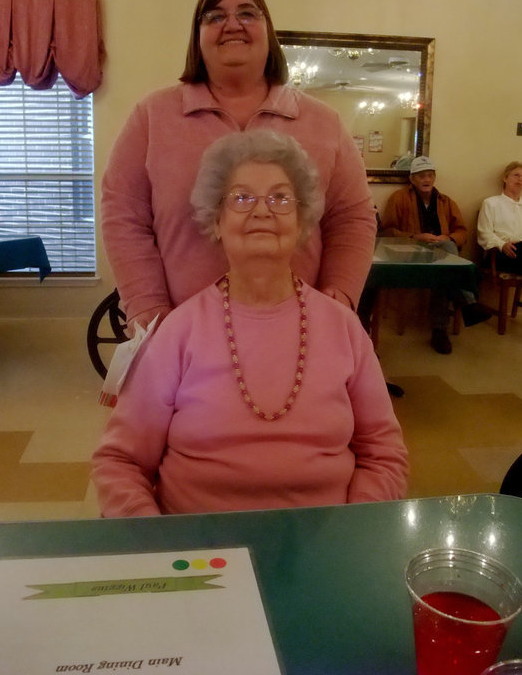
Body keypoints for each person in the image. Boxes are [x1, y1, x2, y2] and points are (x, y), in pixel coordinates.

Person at [92, 129, 409, 516]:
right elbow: (120, 462)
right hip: (197, 553)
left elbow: (384, 454)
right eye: (242, 198)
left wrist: (352, 530)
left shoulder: (343, 328)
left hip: (325, 542)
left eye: (280, 197)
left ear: (301, 220)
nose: (262, 210)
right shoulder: (179, 331)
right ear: (217, 221)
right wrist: (157, 543)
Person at [101, 0, 376, 332]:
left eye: (247, 14)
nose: (232, 25)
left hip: (300, 332)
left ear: (268, 31)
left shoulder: (324, 122)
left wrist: (338, 296)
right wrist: (147, 305)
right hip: (180, 333)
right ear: (197, 37)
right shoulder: (152, 117)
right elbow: (122, 216)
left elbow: (352, 217)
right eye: (215, 16)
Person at [381, 156, 492, 355]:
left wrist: (447, 237)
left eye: (430, 175)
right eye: (421, 176)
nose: (427, 180)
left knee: (445, 265)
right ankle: (467, 305)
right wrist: (416, 236)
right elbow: (388, 231)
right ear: (412, 179)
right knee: (448, 267)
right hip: (410, 254)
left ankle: (439, 331)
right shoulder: (399, 198)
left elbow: (461, 231)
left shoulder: (445, 201)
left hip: (440, 254)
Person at [477, 161, 522, 308]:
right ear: (505, 178)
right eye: (516, 175)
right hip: (506, 254)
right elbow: (484, 233)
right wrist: (501, 245)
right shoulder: (491, 203)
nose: (520, 179)